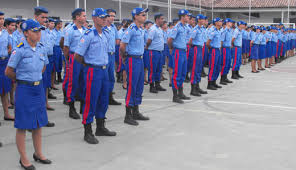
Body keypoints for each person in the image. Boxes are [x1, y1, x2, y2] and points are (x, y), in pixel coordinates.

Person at [5, 19, 52, 170]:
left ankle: (38, 153)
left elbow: (43, 67)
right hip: (24, 90)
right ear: (26, 33)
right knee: (23, 125)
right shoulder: (19, 49)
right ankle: (23, 158)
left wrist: (34, 79)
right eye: (35, 31)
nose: (38, 34)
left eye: (39, 31)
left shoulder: (41, 48)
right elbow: (9, 71)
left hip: (38, 88)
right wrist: (23, 81)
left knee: (38, 123)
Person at [75, 8, 116, 144]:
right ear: (94, 18)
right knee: (91, 100)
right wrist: (88, 65)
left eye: (105, 17)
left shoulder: (105, 34)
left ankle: (100, 127)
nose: (104, 19)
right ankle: (88, 131)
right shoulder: (88, 35)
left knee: (104, 99)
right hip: (93, 70)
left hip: (104, 70)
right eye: (101, 17)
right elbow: (77, 56)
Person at [120, 7, 150, 126]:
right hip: (132, 59)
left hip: (140, 59)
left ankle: (136, 111)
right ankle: (128, 115)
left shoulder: (141, 29)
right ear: (136, 16)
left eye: (144, 14)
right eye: (142, 15)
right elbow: (122, 45)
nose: (144, 16)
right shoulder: (131, 29)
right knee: (132, 86)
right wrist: (124, 57)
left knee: (139, 86)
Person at [34, 6, 55, 127]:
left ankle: (42, 117)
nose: (45, 20)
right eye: (43, 17)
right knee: (35, 93)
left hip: (45, 61)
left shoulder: (44, 29)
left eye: (47, 18)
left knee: (44, 89)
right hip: (35, 64)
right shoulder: (31, 29)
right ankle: (34, 120)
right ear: (36, 16)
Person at [64, 8, 87, 119]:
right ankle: (71, 107)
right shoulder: (70, 30)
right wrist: (68, 60)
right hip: (74, 57)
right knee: (72, 82)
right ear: (77, 17)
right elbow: (66, 47)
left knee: (84, 81)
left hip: (84, 58)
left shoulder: (85, 30)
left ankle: (83, 104)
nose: (85, 18)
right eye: (83, 15)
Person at [167, 9, 191, 104]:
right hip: (177, 52)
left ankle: (181, 93)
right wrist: (171, 48)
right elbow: (169, 40)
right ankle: (175, 95)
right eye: (187, 16)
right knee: (176, 73)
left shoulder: (185, 27)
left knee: (182, 73)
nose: (188, 17)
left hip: (183, 52)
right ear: (182, 17)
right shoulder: (177, 27)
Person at [187, 14, 208, 96]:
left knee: (199, 68)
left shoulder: (203, 28)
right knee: (195, 68)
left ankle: (197, 86)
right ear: (198, 20)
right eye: (202, 19)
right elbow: (190, 41)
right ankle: (193, 89)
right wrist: (194, 47)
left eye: (204, 19)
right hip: (196, 48)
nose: (203, 21)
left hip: (201, 48)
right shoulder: (195, 29)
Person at [145, 13, 166, 93]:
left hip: (160, 52)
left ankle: (157, 84)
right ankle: (152, 86)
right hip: (153, 52)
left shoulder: (160, 29)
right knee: (152, 69)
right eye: (161, 18)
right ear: (157, 19)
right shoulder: (153, 29)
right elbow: (149, 40)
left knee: (159, 69)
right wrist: (147, 47)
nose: (163, 20)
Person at [0, 11, 15, 121]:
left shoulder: (5, 33)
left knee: (4, 90)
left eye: (2, 19)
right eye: (0, 18)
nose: (1, 21)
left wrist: (5, 54)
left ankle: (6, 114)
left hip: (4, 62)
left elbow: (9, 47)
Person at [105, 8, 121, 105]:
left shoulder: (114, 27)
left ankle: (110, 97)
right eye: (110, 15)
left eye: (114, 16)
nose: (112, 18)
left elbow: (117, 40)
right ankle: (103, 98)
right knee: (104, 77)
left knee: (111, 77)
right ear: (106, 16)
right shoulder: (102, 27)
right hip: (104, 55)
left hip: (111, 55)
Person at [206, 17, 223, 90]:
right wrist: (211, 48)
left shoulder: (218, 30)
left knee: (218, 67)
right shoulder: (213, 31)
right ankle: (210, 83)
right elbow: (208, 43)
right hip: (213, 50)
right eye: (220, 21)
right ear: (216, 23)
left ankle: (214, 81)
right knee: (213, 67)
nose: (221, 22)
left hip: (218, 50)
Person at [220, 18, 233, 85]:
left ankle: (225, 77)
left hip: (228, 48)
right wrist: (220, 50)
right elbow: (221, 41)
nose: (231, 24)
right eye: (230, 22)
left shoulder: (229, 31)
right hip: (224, 49)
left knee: (228, 63)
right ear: (227, 23)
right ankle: (222, 79)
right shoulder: (224, 31)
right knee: (224, 63)